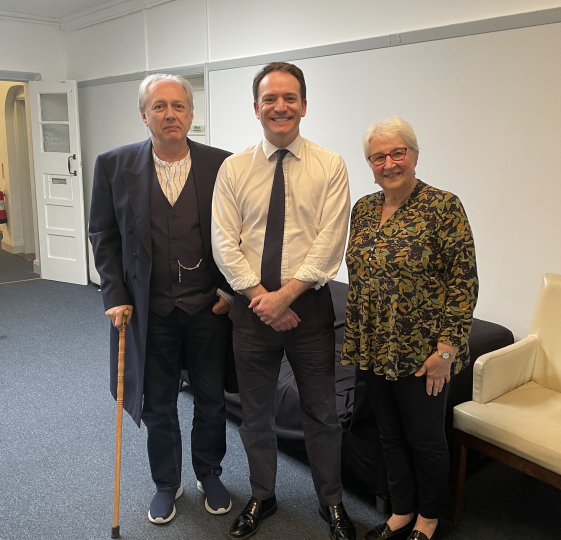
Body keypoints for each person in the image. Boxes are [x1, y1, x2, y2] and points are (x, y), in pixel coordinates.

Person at [211, 62, 356, 540]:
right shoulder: (233, 169)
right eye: (270, 99)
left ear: (304, 106)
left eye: (289, 98)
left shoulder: (330, 165)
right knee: (255, 414)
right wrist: (260, 298)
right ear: (256, 108)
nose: (280, 106)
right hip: (251, 313)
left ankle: (331, 502)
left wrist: (287, 296)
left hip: (309, 309)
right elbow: (223, 242)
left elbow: (331, 241)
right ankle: (262, 495)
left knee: (322, 413)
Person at [88, 73, 235, 525]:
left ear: (191, 113)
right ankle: (166, 484)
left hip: (209, 308)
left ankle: (209, 473)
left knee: (211, 399)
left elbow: (241, 233)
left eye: (179, 106)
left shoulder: (222, 164)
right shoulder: (114, 165)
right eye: (159, 106)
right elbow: (103, 234)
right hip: (148, 310)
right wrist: (113, 293)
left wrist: (231, 290)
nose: (170, 114)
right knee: (159, 403)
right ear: (143, 114)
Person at [341, 116, 478, 540]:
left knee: (425, 439)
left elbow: (464, 281)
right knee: (389, 435)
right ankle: (401, 511)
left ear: (414, 155)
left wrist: (447, 352)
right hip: (374, 347)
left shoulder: (443, 206)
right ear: (370, 163)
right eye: (378, 156)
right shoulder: (363, 208)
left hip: (422, 354)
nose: (389, 162)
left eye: (397, 152)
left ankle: (429, 518)